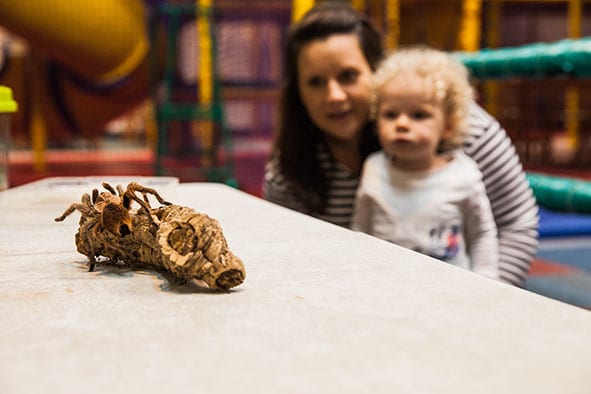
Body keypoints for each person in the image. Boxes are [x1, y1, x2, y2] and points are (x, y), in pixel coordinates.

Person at [262, 2, 538, 286]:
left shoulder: (464, 128)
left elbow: (516, 223)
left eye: (348, 75)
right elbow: (289, 254)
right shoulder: (290, 169)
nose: (334, 95)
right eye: (316, 82)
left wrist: (490, 301)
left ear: (376, 74)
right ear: (299, 93)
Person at [352, 46, 499, 279]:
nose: (401, 124)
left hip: (451, 290)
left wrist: (488, 280)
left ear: (448, 126)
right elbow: (361, 228)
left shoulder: (463, 174)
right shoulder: (374, 168)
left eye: (419, 115)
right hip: (387, 286)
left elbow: (481, 233)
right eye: (390, 114)